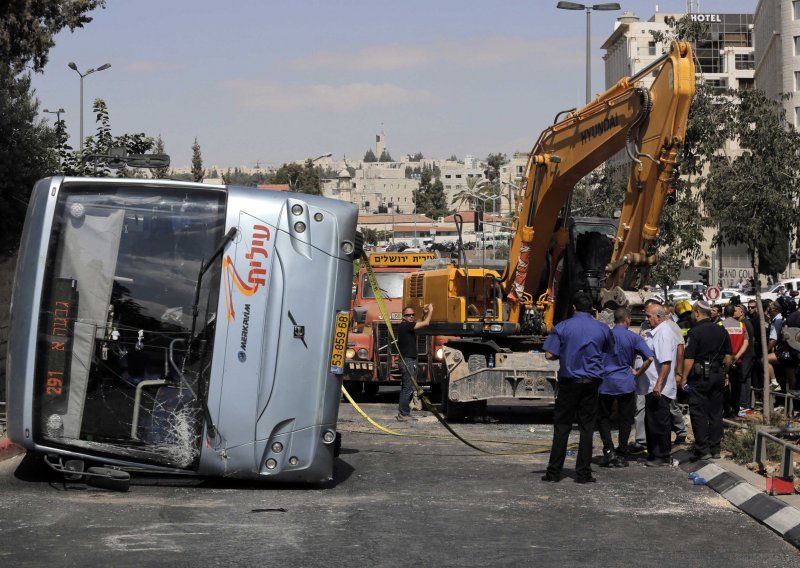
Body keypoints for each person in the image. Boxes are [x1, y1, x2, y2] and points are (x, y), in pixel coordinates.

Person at [542, 291, 614, 484]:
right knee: (586, 428)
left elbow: (549, 355)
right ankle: (583, 473)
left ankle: (554, 472)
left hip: (569, 383)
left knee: (562, 427)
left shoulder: (562, 326)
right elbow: (608, 350)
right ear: (592, 308)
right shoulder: (602, 328)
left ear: (573, 307)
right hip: (592, 384)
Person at [598, 308, 653, 468]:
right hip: (626, 383)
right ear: (627, 319)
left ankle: (608, 450)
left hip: (606, 382)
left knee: (603, 417)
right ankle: (622, 451)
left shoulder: (605, 336)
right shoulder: (633, 337)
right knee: (625, 418)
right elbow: (649, 358)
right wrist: (637, 372)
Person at [679, 301, 732, 460]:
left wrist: (683, 377)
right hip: (718, 375)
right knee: (716, 413)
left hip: (699, 376)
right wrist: (726, 374)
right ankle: (715, 449)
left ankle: (703, 450)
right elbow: (729, 357)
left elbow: (689, 358)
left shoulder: (695, 332)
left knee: (699, 413)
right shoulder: (722, 331)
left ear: (696, 313)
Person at [642, 303, 679, 466]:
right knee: (652, 421)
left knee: (659, 422)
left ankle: (661, 455)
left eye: (649, 316)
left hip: (659, 388)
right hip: (652, 386)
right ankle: (654, 453)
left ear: (658, 317)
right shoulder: (657, 332)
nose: (646, 319)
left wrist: (658, 384)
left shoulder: (663, 333)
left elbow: (665, 362)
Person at [395, 303, 433, 421]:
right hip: (407, 361)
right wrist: (431, 311)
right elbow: (425, 323)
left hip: (408, 360)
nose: (411, 316)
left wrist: (423, 313)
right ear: (403, 317)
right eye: (408, 315)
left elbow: (417, 321)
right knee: (407, 388)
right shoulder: (405, 326)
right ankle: (403, 414)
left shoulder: (407, 325)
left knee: (406, 387)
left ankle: (404, 413)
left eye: (413, 314)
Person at [721, 304, 749, 418]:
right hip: (738, 361)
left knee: (725, 385)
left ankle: (727, 409)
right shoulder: (741, 325)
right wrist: (737, 355)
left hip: (725, 361)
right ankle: (736, 409)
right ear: (733, 313)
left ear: (724, 313)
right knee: (737, 386)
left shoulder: (720, 325)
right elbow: (746, 342)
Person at [734, 303, 756, 416]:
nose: (733, 312)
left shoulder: (743, 323)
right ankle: (745, 404)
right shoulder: (746, 322)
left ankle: (743, 405)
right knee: (746, 379)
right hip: (749, 355)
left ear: (741, 312)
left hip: (746, 355)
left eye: (735, 311)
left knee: (743, 379)